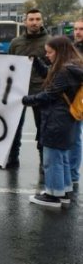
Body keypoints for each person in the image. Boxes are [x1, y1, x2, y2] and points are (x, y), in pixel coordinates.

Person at [23, 36, 83, 208]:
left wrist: (25, 100)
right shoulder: (73, 66)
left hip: (57, 120)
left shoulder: (64, 71)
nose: (47, 55)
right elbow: (50, 76)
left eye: (50, 52)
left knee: (52, 158)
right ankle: (62, 191)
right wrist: (36, 63)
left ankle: (53, 195)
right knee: (62, 157)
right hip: (67, 119)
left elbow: (48, 94)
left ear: (60, 51)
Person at [4, 9, 51, 171]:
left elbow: (54, 66)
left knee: (42, 126)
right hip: (18, 90)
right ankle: (12, 158)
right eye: (31, 19)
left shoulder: (50, 41)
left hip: (41, 90)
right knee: (15, 126)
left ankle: (43, 161)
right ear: (25, 22)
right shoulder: (16, 43)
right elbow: (8, 65)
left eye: (38, 19)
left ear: (42, 21)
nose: (35, 22)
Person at [69, 18, 83, 190]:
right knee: (73, 136)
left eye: (81, 29)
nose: (78, 32)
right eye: (76, 29)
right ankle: (71, 173)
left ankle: (73, 174)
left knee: (76, 137)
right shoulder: (72, 48)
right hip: (71, 97)